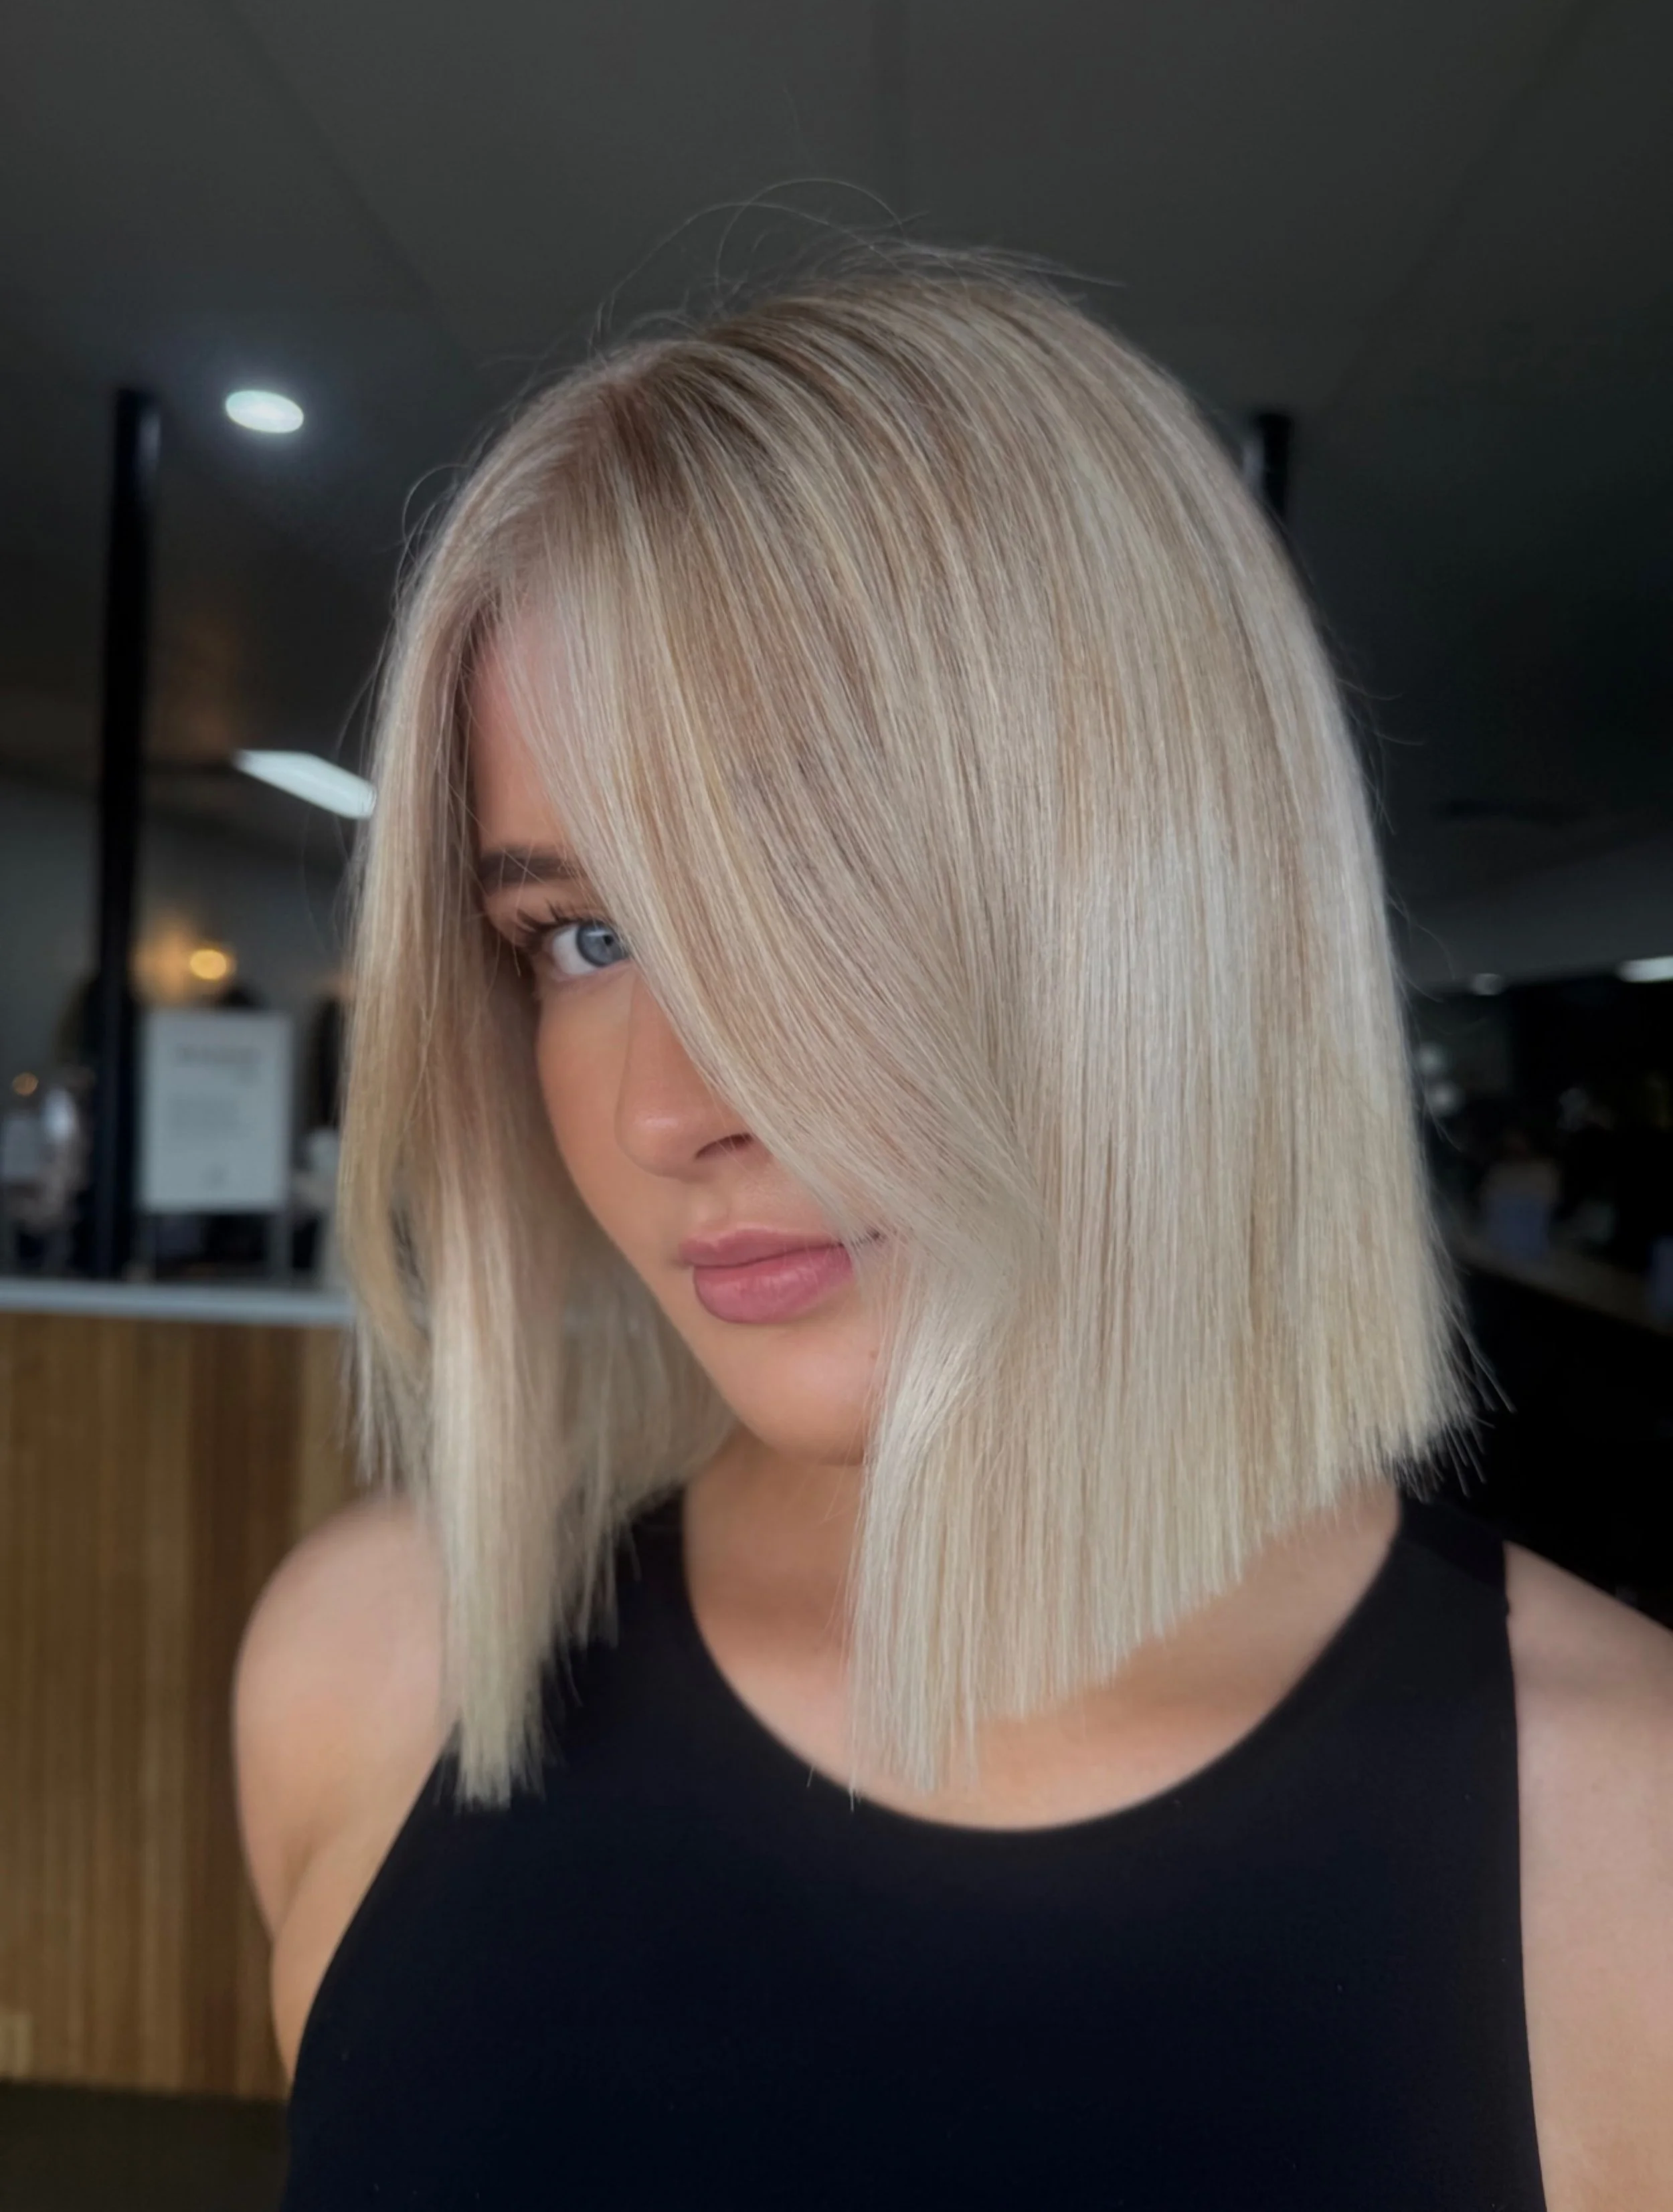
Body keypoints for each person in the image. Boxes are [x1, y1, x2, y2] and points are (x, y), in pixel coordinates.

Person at [232, 244, 1672, 2210]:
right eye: (582, 931)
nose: (674, 1104)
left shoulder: (1629, 1863)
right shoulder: (378, 1674)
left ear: (1176, 900)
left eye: (806, 882)